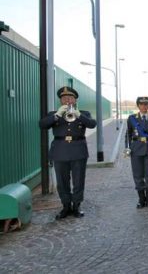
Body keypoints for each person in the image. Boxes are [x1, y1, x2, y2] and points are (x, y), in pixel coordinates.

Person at [39, 86, 96, 219]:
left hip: (78, 150)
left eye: (70, 98)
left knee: (78, 180)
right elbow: (42, 125)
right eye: (64, 98)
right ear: (60, 101)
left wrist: (78, 115)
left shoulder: (84, 113)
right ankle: (66, 206)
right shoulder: (54, 114)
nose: (67, 101)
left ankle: (76, 205)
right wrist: (57, 115)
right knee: (62, 181)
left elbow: (92, 124)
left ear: (75, 100)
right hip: (60, 151)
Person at [125, 96, 148, 208]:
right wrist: (127, 148)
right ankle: (141, 199)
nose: (144, 106)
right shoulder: (132, 118)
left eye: (146, 104)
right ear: (138, 105)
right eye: (141, 104)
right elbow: (128, 135)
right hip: (136, 149)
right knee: (138, 174)